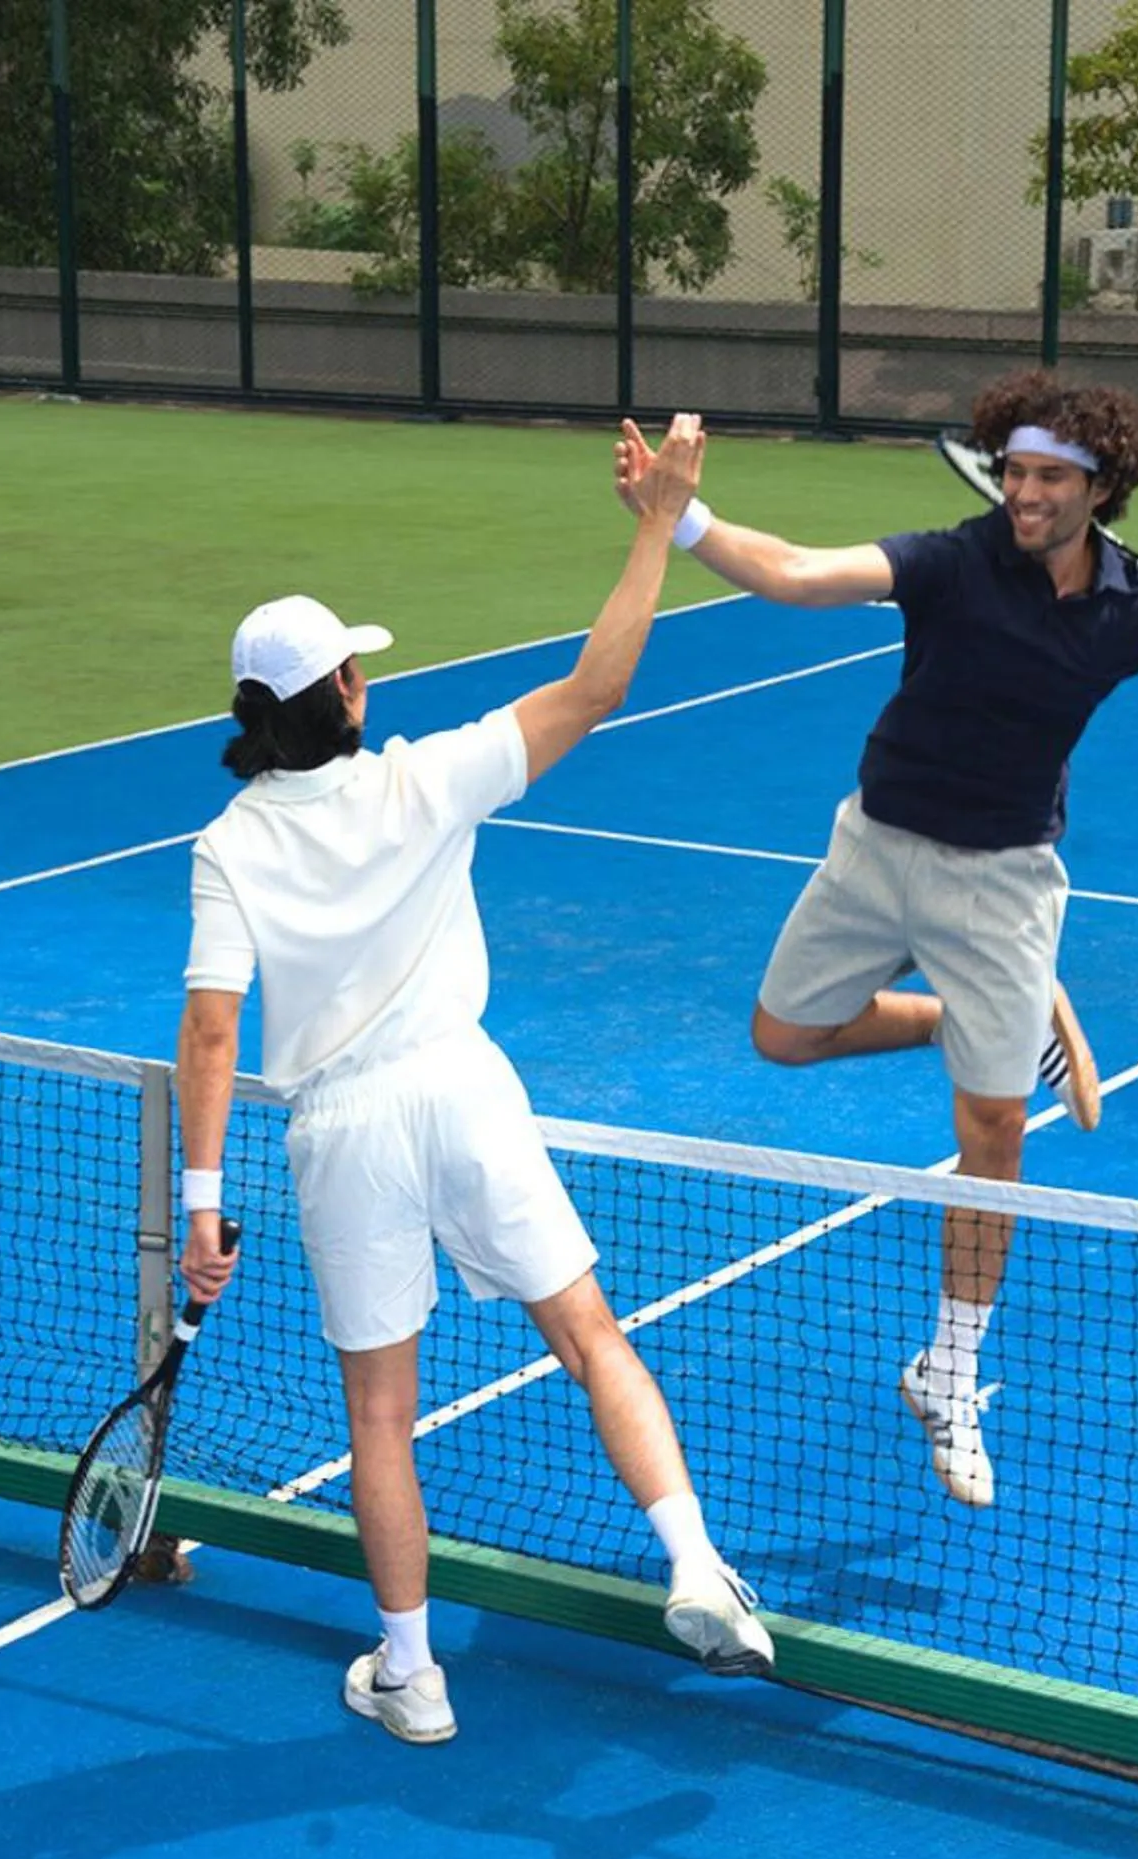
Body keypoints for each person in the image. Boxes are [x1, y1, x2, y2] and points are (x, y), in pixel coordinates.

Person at [171, 415, 773, 1746]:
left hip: (339, 1135)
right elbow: (599, 685)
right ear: (347, 696)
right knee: (590, 1335)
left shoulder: (225, 849)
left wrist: (198, 1209)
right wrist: (650, 528)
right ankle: (692, 1564)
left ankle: (411, 1675)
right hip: (461, 1089)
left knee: (380, 1416)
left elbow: (211, 1037)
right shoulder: (424, 781)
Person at [614, 371, 1138, 1510]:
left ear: (1099, 487)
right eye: (1014, 471)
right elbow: (796, 574)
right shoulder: (953, 560)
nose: (1023, 493)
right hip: (874, 851)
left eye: (1048, 478)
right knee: (783, 1036)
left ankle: (952, 1368)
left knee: (992, 1137)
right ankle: (999, 1023)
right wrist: (681, 517)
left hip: (1003, 886)